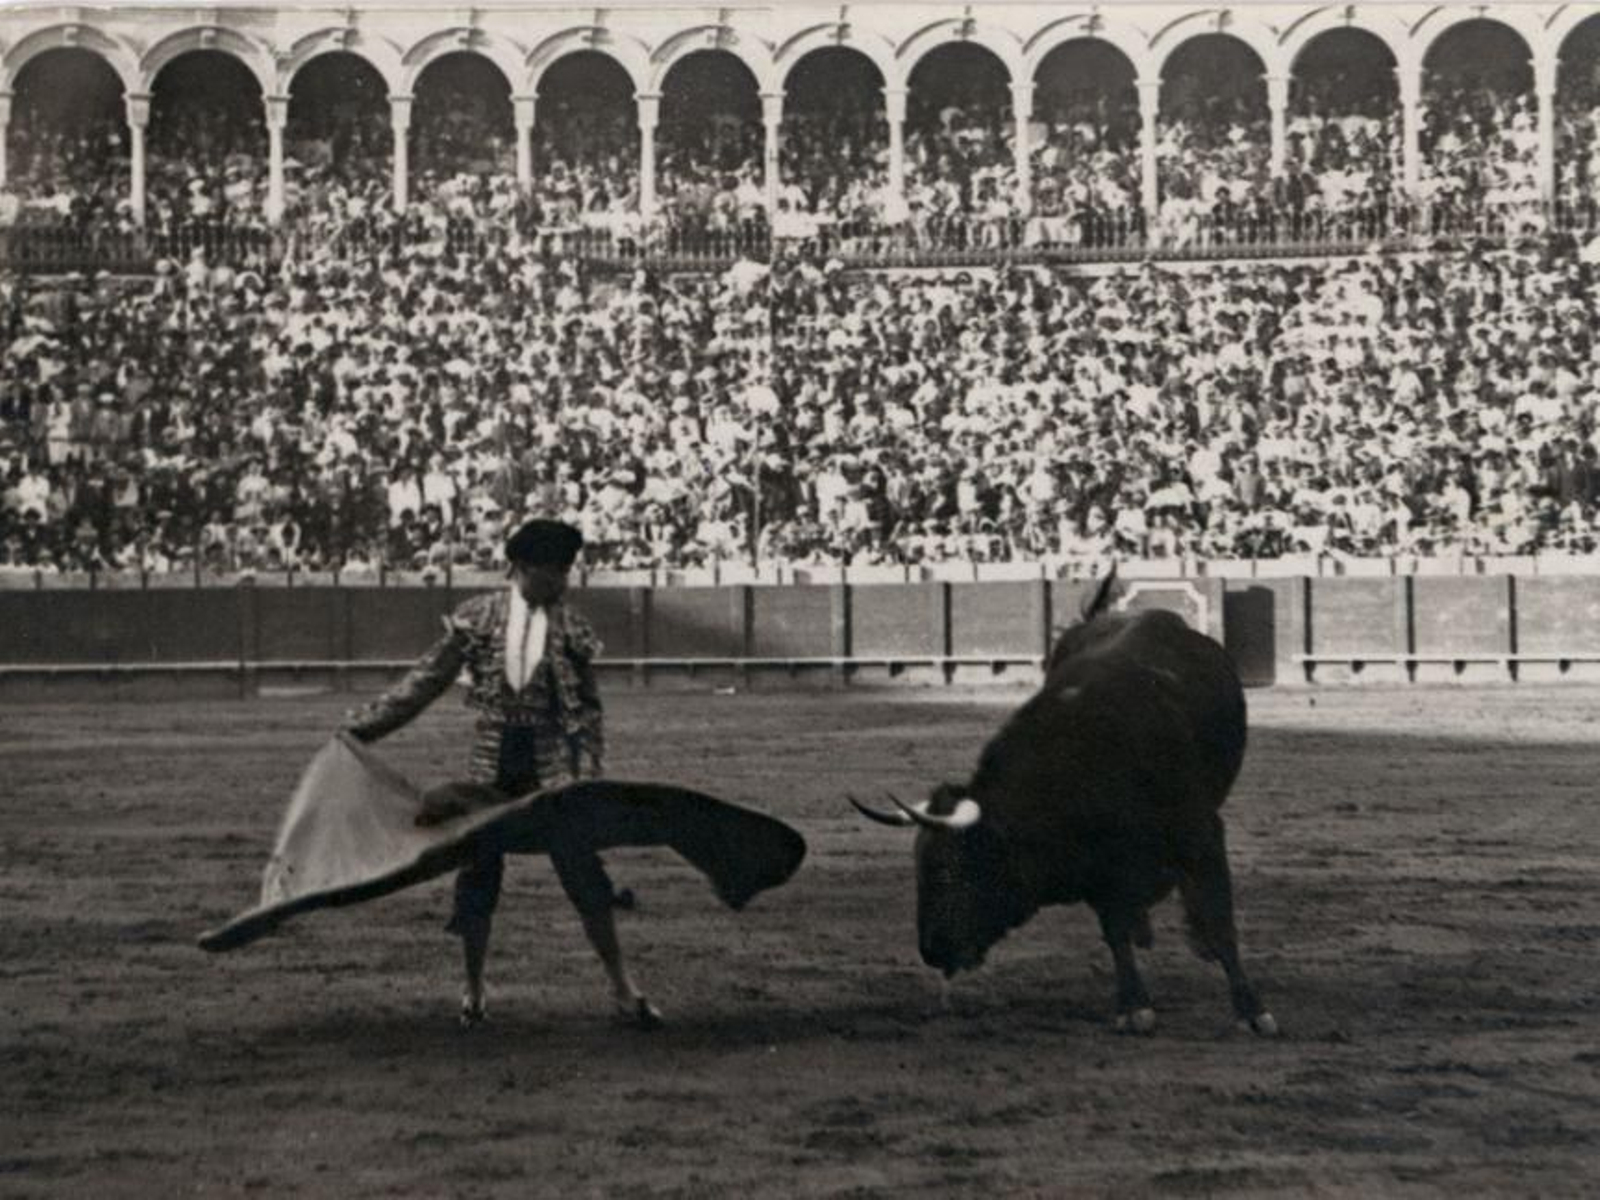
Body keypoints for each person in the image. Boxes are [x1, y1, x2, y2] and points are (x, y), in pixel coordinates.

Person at [342, 516, 661, 1030]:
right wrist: (362, 729)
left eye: (566, 571)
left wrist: (589, 775)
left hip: (552, 770)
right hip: (492, 768)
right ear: (522, 568)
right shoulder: (479, 617)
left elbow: (588, 714)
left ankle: (624, 989)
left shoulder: (572, 627)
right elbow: (424, 682)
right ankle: (473, 991)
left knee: (583, 871)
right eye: (553, 572)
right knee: (478, 874)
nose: (562, 582)